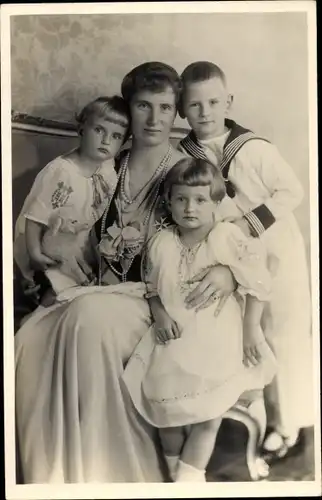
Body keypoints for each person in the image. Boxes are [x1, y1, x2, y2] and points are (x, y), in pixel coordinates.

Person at [15, 62, 237, 483]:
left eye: (166, 108)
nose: (154, 120)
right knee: (30, 336)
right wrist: (60, 259)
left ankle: (107, 471)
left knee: (91, 319)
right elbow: (64, 224)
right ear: (127, 108)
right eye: (143, 106)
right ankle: (60, 475)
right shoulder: (105, 163)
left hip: (162, 301)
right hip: (103, 290)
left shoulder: (187, 168)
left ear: (177, 114)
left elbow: (227, 232)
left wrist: (228, 273)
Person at [178, 61, 314, 460]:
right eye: (195, 105)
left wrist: (250, 223)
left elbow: (292, 191)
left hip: (276, 251)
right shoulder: (185, 153)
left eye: (214, 102)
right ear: (184, 110)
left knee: (281, 332)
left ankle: (288, 422)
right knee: (246, 337)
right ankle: (254, 414)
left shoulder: (254, 148)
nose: (205, 112)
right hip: (232, 257)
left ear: (229, 101)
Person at [122, 157, 276, 482]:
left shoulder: (225, 237)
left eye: (200, 200)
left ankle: (189, 481)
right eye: (181, 199)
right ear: (168, 201)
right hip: (173, 342)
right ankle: (176, 476)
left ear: (216, 202)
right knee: (167, 420)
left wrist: (251, 331)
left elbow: (259, 283)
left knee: (208, 419)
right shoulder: (161, 243)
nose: (189, 208)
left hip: (217, 341)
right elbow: (150, 285)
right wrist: (160, 313)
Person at [14, 96, 130, 303]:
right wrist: (34, 255)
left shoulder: (107, 167)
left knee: (89, 290)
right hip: (51, 243)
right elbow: (34, 218)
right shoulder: (61, 172)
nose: (106, 141)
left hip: (80, 241)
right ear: (82, 129)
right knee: (56, 290)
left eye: (116, 136)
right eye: (99, 130)